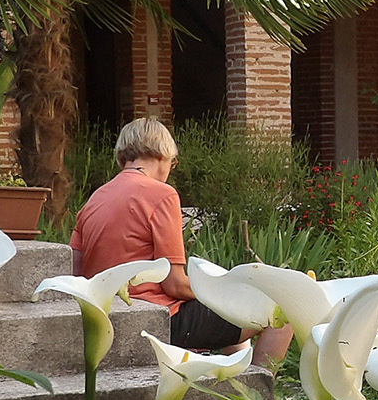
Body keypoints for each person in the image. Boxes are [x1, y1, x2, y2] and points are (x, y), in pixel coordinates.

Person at [69, 118, 291, 362]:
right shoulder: (162, 194)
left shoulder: (93, 201)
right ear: (163, 155)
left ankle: (237, 379)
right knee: (285, 305)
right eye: (173, 163)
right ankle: (261, 394)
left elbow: (76, 272)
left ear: (123, 157)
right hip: (160, 319)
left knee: (230, 315)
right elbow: (173, 285)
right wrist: (222, 288)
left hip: (104, 321)